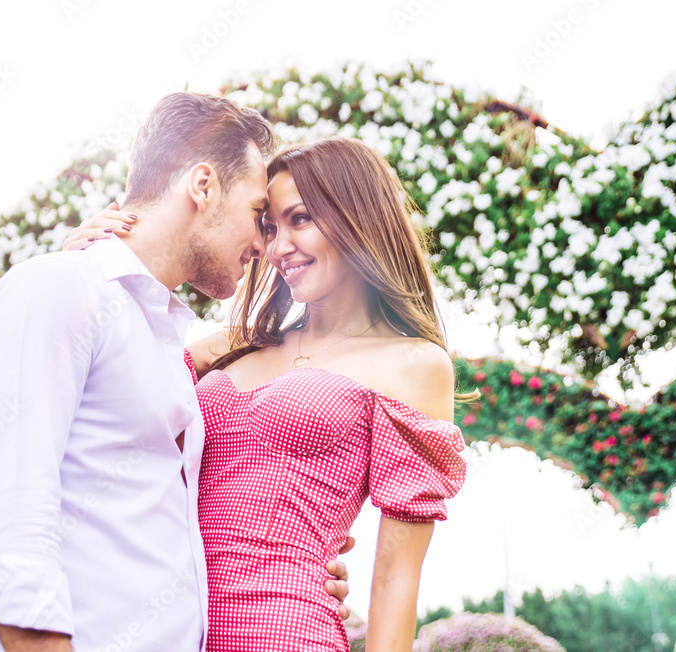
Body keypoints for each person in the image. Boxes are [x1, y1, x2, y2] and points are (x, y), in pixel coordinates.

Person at [0, 92, 349, 652]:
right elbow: (13, 536)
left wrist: (294, 563)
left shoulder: (157, 338)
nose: (266, 245)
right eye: (256, 214)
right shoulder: (57, 289)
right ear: (203, 185)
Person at [64, 136, 468, 651]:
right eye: (269, 228)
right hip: (162, 628)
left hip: (286, 632)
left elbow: (395, 578)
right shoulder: (233, 345)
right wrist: (86, 267)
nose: (277, 249)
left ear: (358, 216)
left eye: (300, 220)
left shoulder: (413, 366)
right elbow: (101, 403)